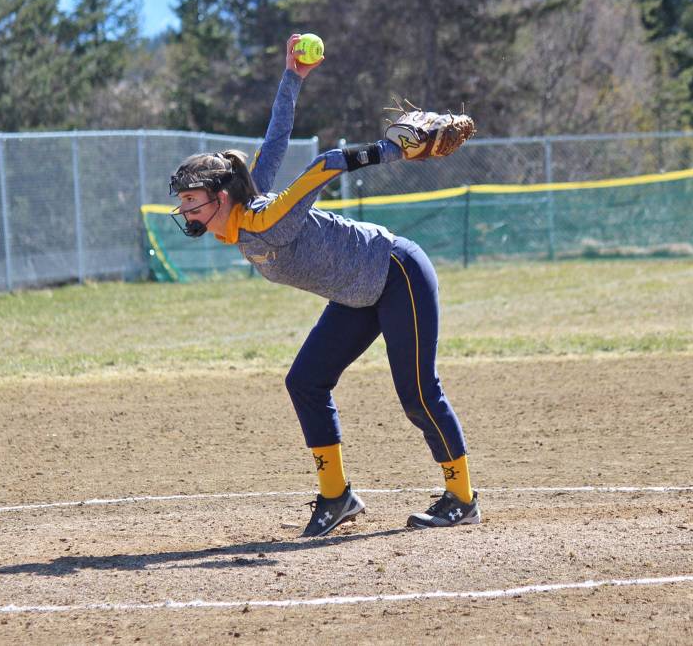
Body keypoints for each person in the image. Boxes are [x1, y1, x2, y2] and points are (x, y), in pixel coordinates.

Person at [168, 35, 480, 536]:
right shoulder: (241, 214)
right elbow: (275, 141)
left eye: (192, 199)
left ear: (222, 196)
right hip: (357, 295)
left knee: (417, 392)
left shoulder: (266, 217)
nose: (185, 209)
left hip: (396, 272)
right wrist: (292, 77)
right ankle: (337, 497)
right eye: (182, 200)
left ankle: (462, 498)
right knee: (306, 381)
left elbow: (326, 164)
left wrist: (387, 150)